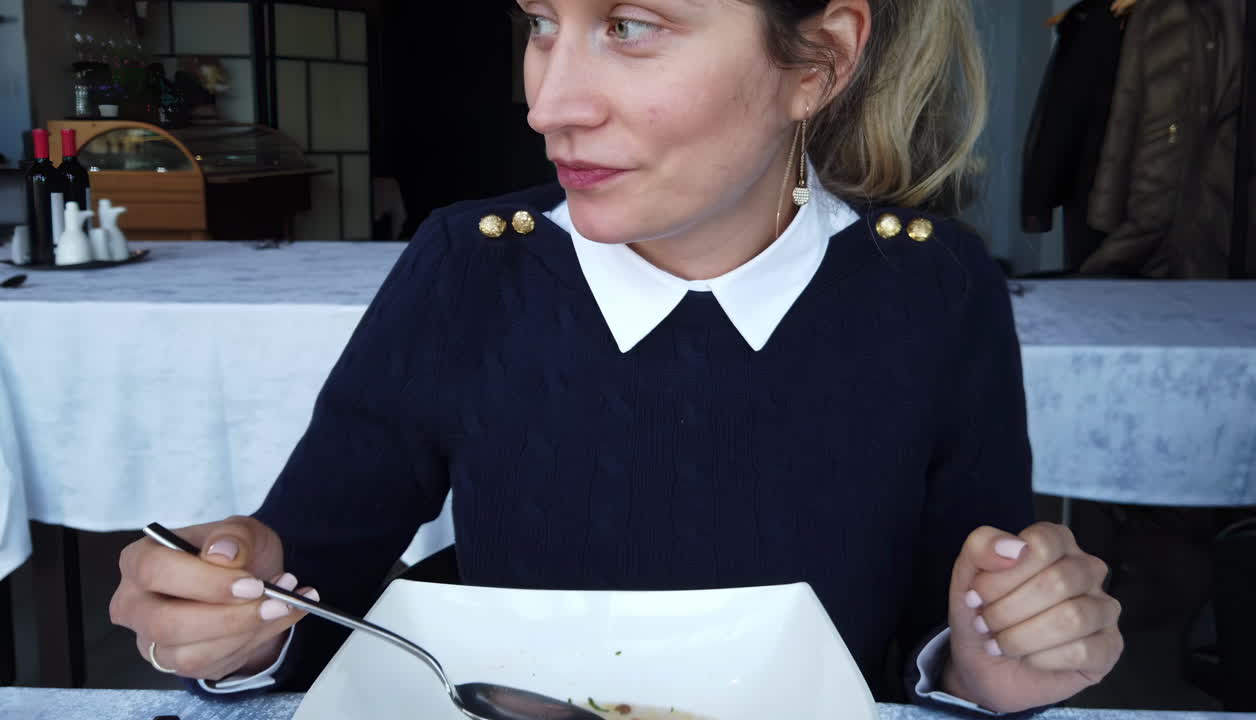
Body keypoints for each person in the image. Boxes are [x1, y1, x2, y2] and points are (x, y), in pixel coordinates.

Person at [110, 0, 1123, 714]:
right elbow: (305, 586)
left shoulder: (931, 288)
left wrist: (996, 659)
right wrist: (235, 615)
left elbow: (956, 624)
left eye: (630, 26)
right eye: (542, 23)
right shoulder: (472, 265)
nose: (549, 104)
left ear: (817, 60)